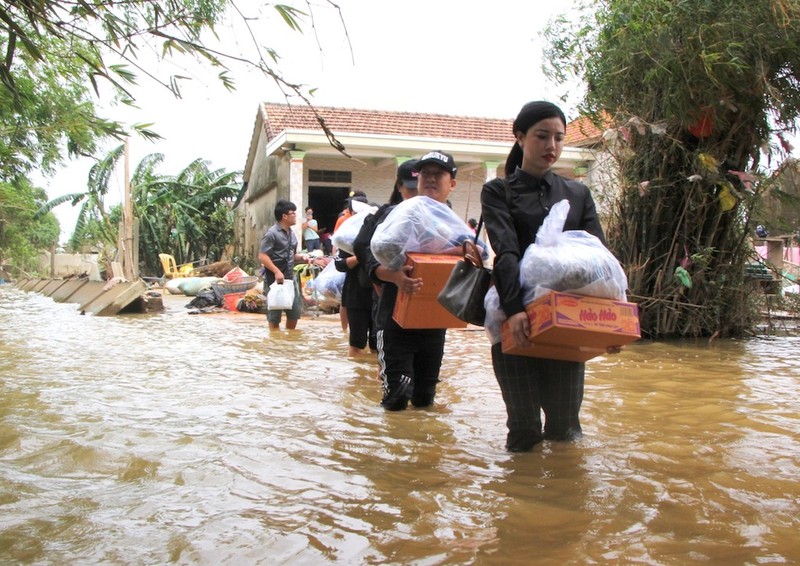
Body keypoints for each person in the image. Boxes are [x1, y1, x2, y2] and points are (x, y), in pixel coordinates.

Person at [480, 101, 608, 452]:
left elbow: (599, 259)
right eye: (541, 136)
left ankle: (564, 500)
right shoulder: (498, 191)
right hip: (513, 316)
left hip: (568, 321)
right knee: (523, 429)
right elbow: (506, 252)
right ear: (520, 137)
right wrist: (516, 308)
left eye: (559, 138)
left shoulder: (578, 194)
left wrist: (611, 322)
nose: (551, 146)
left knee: (565, 428)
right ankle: (521, 499)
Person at [354, 152, 459, 411]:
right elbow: (366, 253)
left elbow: (474, 259)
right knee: (397, 398)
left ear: (452, 184)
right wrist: (393, 276)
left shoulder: (452, 221)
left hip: (435, 322)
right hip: (394, 321)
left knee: (425, 400)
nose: (431, 180)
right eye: (426, 174)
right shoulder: (392, 215)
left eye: (439, 175)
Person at [334, 194, 377, 357]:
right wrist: (361, 255)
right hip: (356, 297)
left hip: (378, 298)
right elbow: (340, 264)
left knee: (377, 346)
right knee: (356, 344)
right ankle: (357, 377)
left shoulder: (382, 242)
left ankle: (371, 379)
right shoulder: (349, 240)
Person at [258, 199, 311, 331]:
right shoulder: (272, 234)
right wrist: (276, 271)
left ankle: (289, 341)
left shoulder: (291, 234)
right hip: (274, 280)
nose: (295, 216)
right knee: (274, 314)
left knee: (295, 312)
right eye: (293, 213)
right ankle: (275, 341)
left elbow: (291, 255)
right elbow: (263, 256)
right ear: (284, 216)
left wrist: (302, 257)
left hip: (290, 278)